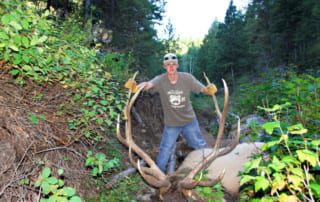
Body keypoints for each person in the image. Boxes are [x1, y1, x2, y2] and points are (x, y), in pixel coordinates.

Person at [125, 53, 217, 173]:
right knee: (165, 151)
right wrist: (136, 88)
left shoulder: (187, 78)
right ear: (165, 67)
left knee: (200, 146)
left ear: (177, 65)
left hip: (189, 121)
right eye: (168, 65)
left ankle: (212, 168)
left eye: (173, 64)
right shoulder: (161, 79)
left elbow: (202, 89)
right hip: (172, 124)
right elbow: (148, 85)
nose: (171, 67)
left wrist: (208, 90)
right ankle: (158, 175)